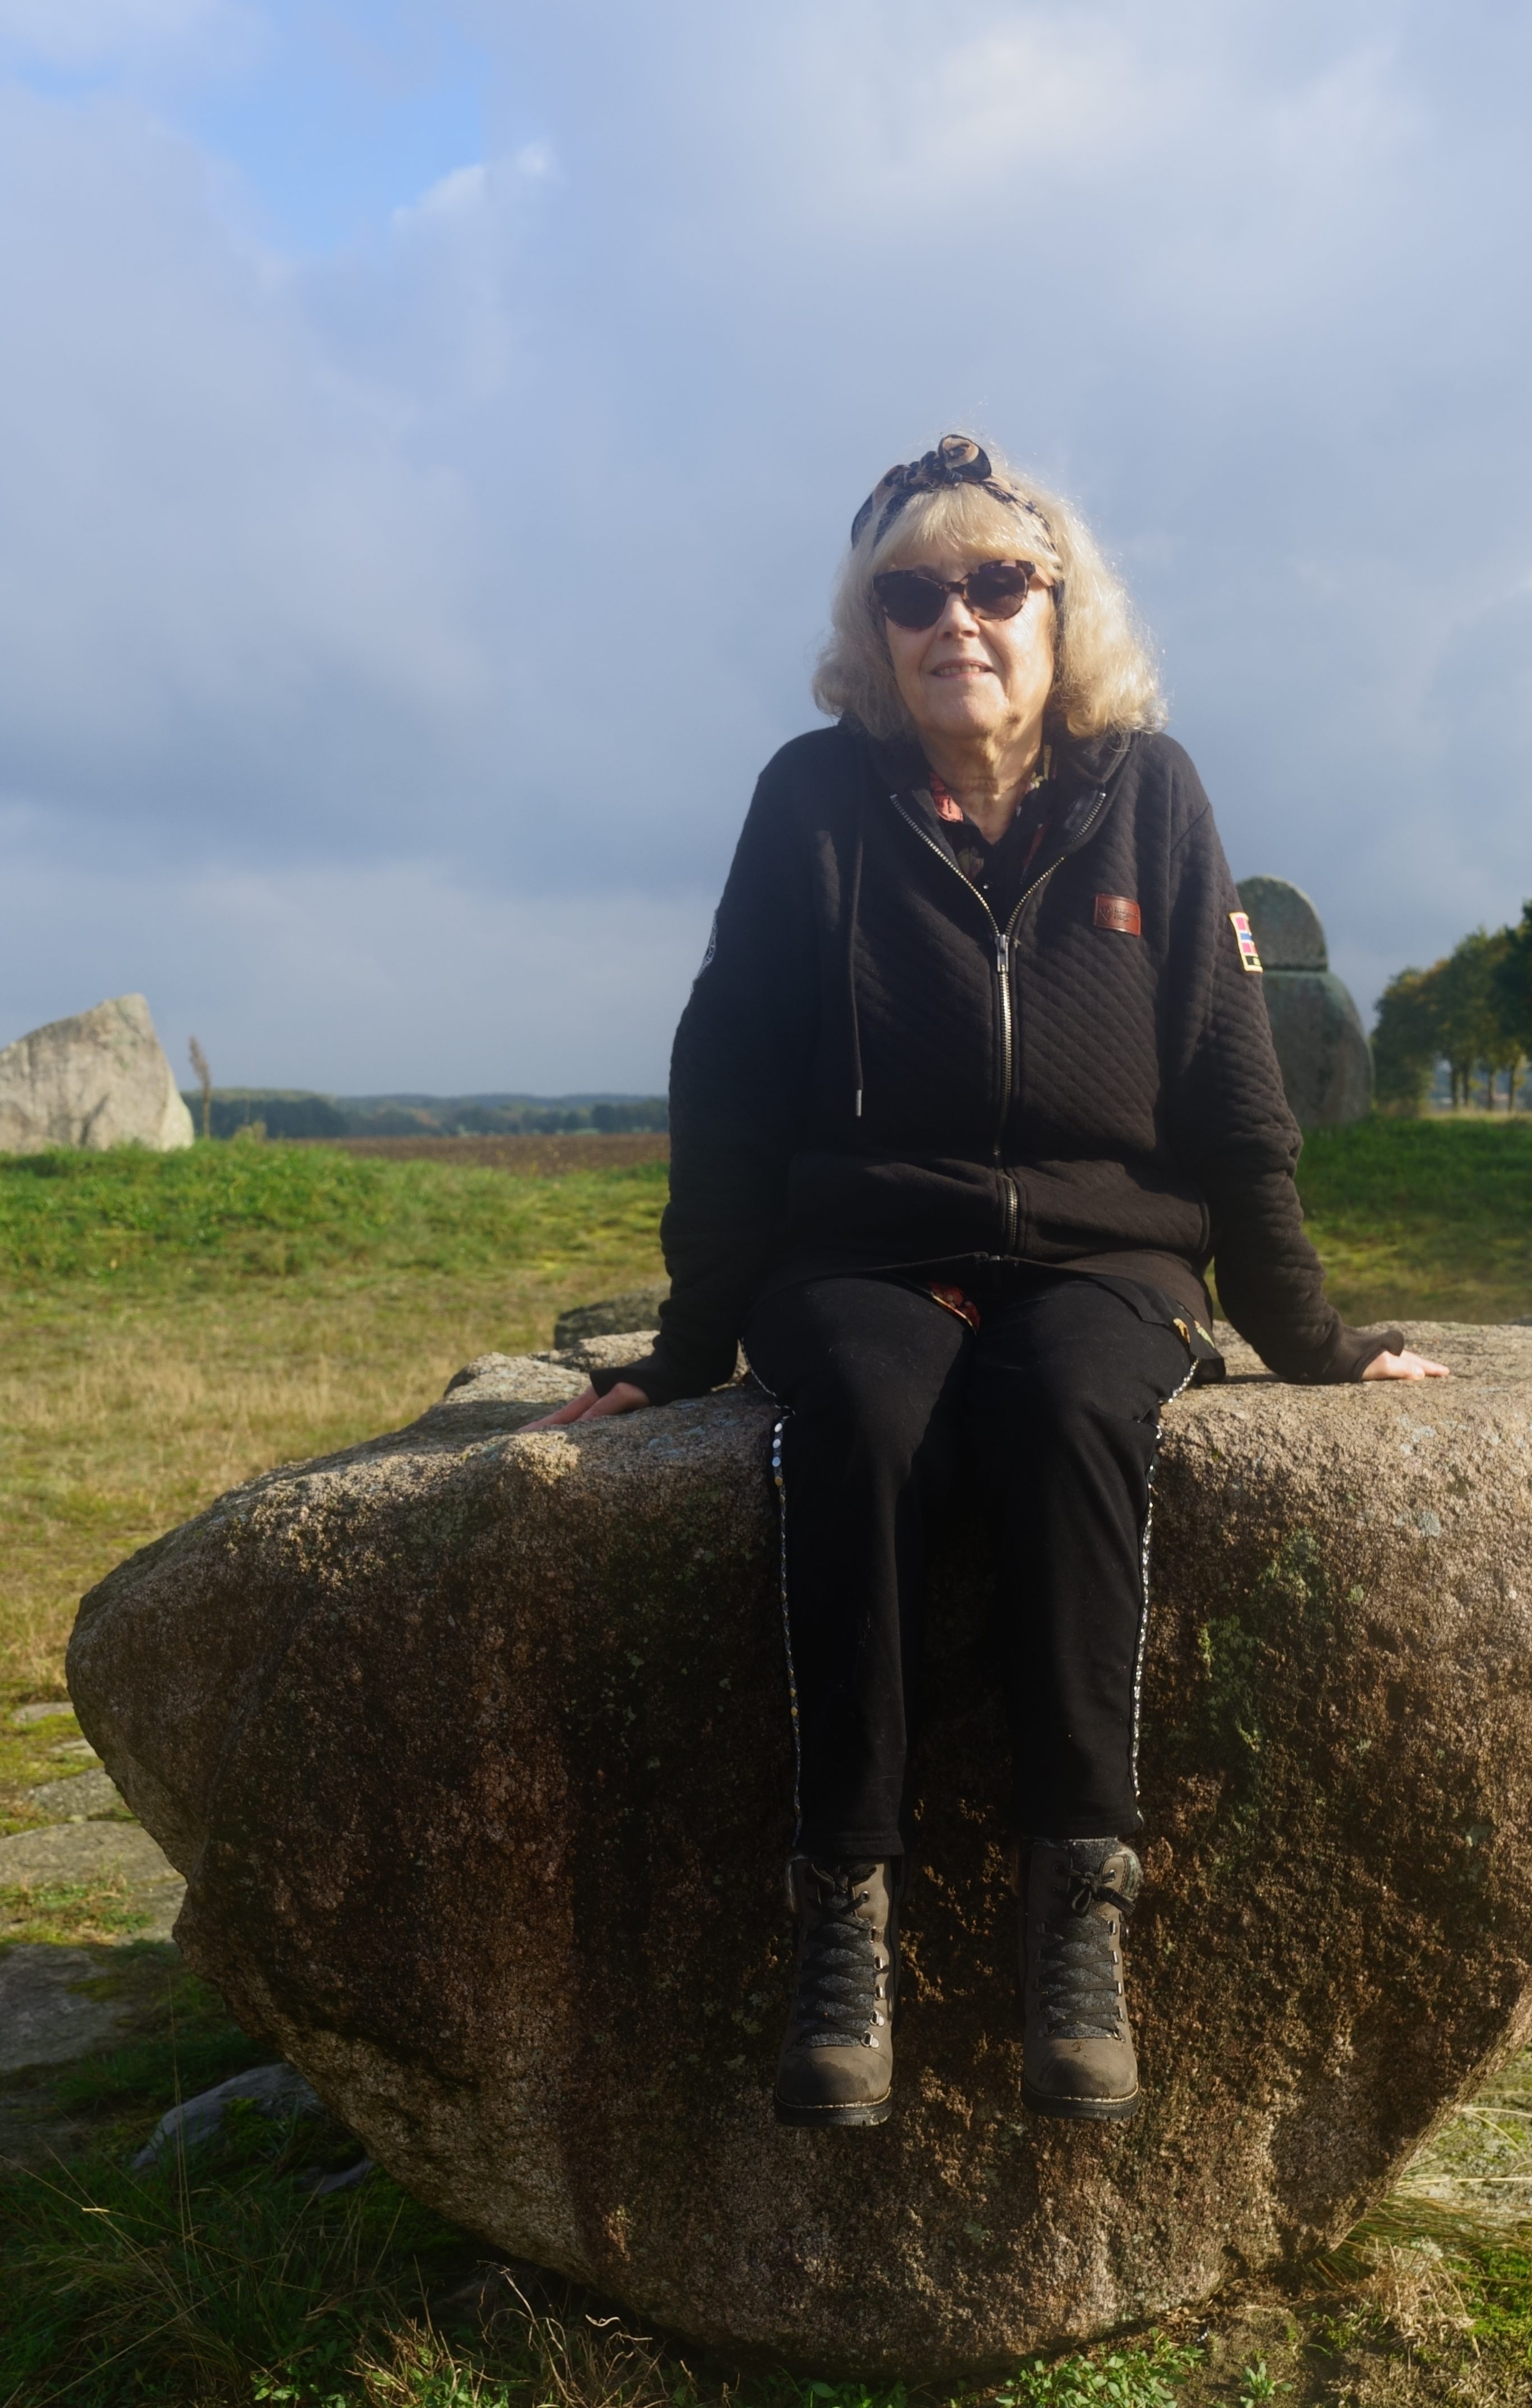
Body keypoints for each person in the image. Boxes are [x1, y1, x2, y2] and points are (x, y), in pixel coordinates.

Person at [541, 433, 1446, 2134]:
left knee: (1073, 1410)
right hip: (868, 1249)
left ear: (1059, 609)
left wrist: (1311, 1337)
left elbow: (1234, 1090)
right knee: (869, 1419)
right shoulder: (812, 803)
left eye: (995, 583)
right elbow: (727, 1083)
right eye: (911, 594)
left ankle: (1076, 1920)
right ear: (871, 633)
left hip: (1108, 1252)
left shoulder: (1151, 794)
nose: (954, 618)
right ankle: (844, 1917)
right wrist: (687, 1344)